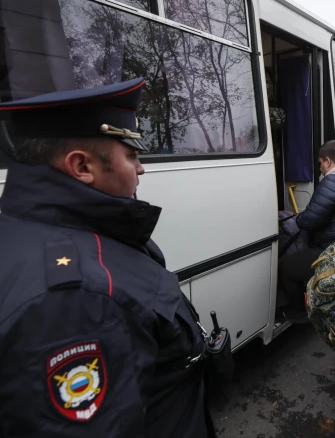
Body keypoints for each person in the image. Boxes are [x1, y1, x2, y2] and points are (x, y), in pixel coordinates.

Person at [0, 79, 212, 437]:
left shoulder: (32, 229)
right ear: (82, 166)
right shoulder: (78, 296)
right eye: (131, 156)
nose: (141, 168)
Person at [279, 140, 335, 321]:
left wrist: (299, 217)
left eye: (320, 164)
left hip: (332, 251)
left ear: (327, 161)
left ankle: (299, 312)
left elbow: (309, 220)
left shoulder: (332, 182)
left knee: (286, 267)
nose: (320, 169)